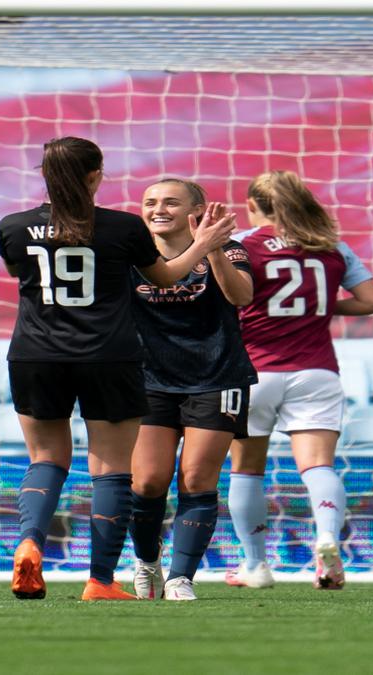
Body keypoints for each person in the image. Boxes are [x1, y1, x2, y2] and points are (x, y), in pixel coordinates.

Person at [0, 137, 237, 601]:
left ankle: (30, 540)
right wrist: (204, 242)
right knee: (110, 470)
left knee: (46, 459)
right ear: (94, 177)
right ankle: (100, 581)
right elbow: (166, 277)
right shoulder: (122, 228)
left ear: (45, 176)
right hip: (107, 356)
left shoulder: (13, 226)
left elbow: (20, 273)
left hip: (34, 355)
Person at [226, 170, 373, 590]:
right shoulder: (330, 246)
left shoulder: (241, 244)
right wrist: (317, 309)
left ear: (253, 206)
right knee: (317, 465)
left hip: (253, 370)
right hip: (316, 370)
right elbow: (371, 301)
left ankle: (255, 566)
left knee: (246, 470)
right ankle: (328, 538)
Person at [127, 180, 257, 601]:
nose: (157, 208)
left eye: (169, 201)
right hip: (148, 379)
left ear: (196, 210)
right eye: (150, 202)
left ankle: (181, 577)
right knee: (147, 482)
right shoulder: (129, 253)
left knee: (197, 477)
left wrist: (211, 245)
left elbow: (241, 297)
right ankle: (147, 562)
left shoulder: (231, 248)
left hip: (216, 377)